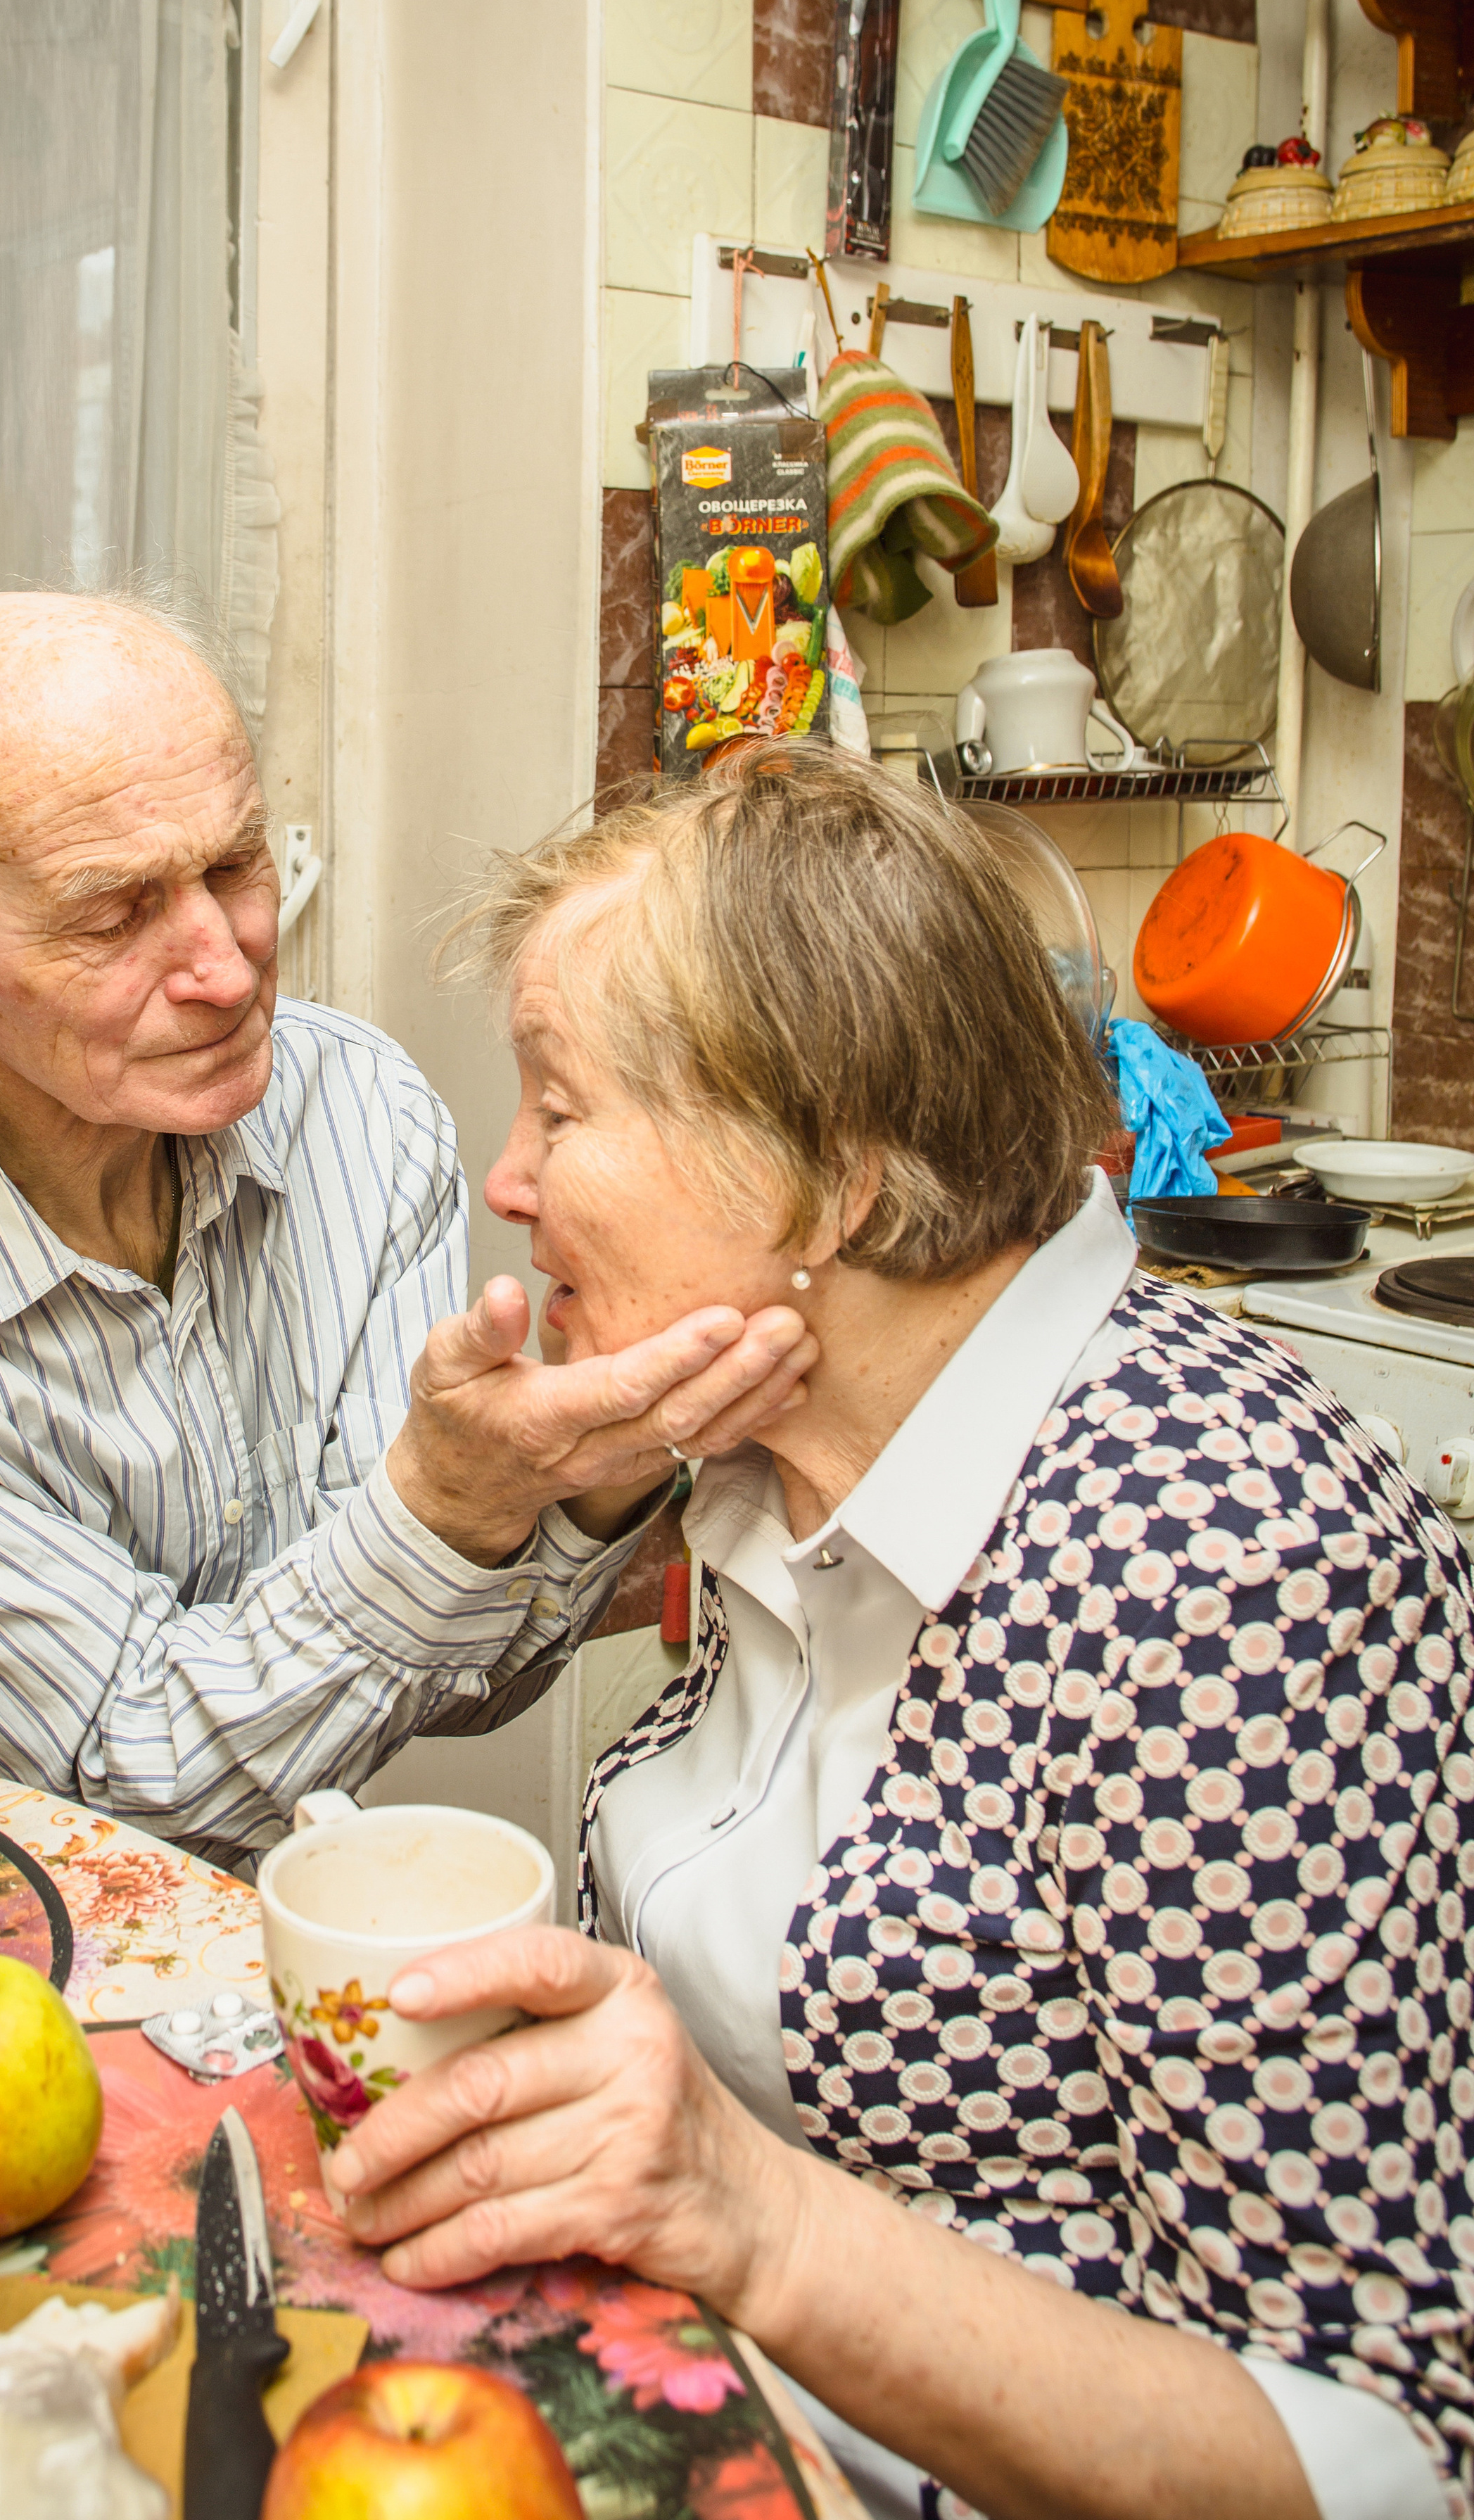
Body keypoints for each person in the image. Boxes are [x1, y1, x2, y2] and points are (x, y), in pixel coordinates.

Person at [322, 745, 1474, 2520]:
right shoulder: (784, 1435)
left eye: (559, 1109)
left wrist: (744, 2211)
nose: (507, 1180)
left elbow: (1390, 2459)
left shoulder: (1220, 1560)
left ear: (833, 1182)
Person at [0, 589, 814, 1865]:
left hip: (257, 1972)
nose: (227, 965)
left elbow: (453, 1680)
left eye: (235, 865)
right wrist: (441, 1504)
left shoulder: (358, 1115)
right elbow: (146, 1779)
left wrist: (600, 1468)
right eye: (112, 913)